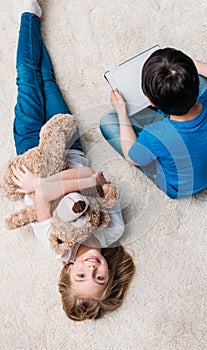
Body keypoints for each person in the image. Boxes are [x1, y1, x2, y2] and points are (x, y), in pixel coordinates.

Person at [10, 0, 135, 321]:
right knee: (48, 81)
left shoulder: (57, 245)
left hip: (31, 153)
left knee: (26, 79)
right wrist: (78, 183)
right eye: (100, 277)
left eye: (82, 277)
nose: (91, 269)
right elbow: (97, 179)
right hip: (70, 143)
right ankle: (33, 24)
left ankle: (27, 14)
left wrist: (44, 184)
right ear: (109, 273)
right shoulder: (112, 231)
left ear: (68, 272)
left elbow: (43, 194)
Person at [100, 48, 207, 199]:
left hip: (179, 188)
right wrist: (192, 64)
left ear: (150, 101)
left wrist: (122, 113)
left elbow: (132, 158)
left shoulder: (154, 136)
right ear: (194, 81)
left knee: (108, 121)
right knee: (205, 80)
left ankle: (160, 108)